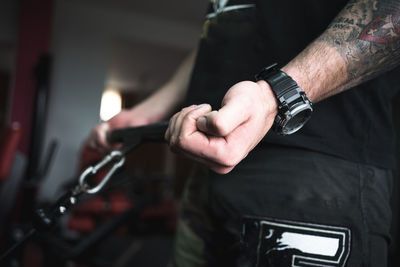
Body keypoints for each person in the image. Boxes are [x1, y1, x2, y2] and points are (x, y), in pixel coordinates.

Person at [87, 0, 400, 266]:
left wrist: (276, 95)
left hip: (315, 170)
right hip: (207, 173)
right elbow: (219, 30)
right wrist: (152, 108)